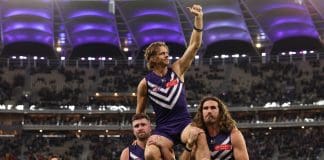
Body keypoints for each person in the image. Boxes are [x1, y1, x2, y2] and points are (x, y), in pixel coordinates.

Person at [136, 4, 210, 160]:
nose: (166, 56)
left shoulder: (176, 69)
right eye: (162, 54)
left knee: (199, 134)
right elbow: (139, 114)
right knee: (150, 153)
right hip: (164, 129)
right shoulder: (145, 83)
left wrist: (199, 18)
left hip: (184, 124)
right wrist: (144, 137)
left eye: (167, 53)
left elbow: (194, 46)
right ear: (152, 59)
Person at [180, 96, 249, 160]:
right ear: (202, 113)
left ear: (220, 112)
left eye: (213, 108)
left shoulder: (233, 134)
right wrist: (189, 145)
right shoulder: (198, 136)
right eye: (205, 108)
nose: (209, 111)